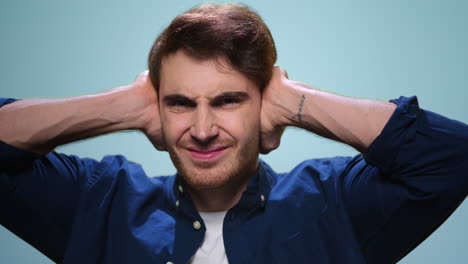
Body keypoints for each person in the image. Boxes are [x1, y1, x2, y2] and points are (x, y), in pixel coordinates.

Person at [0, 3, 467, 264]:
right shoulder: (99, 201)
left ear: (264, 105)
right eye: (180, 103)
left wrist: (297, 102)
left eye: (227, 101)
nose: (202, 130)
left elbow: (452, 158)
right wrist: (121, 105)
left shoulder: (333, 203)